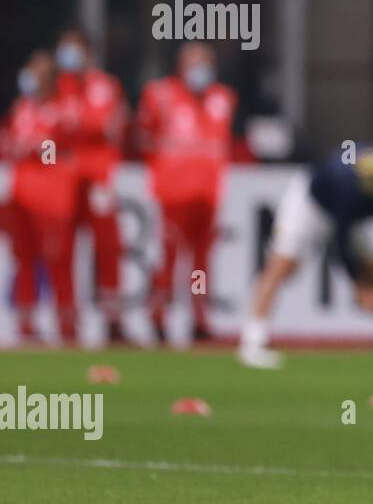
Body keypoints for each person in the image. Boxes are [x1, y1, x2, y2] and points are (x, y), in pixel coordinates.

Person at [237, 146, 373, 371]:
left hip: (347, 218)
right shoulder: (349, 186)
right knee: (281, 267)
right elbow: (341, 243)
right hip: (311, 203)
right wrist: (358, 285)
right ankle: (252, 343)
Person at [136, 42, 236, 345]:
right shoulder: (161, 95)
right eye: (193, 63)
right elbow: (142, 136)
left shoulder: (222, 98)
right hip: (174, 192)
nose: (199, 70)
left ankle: (199, 318)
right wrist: (162, 170)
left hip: (207, 192)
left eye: (204, 62)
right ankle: (158, 316)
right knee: (168, 258)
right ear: (180, 65)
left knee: (201, 263)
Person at [55, 29, 128, 343]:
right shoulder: (55, 87)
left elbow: (105, 126)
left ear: (87, 53)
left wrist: (72, 131)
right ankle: (67, 322)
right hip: (62, 179)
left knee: (108, 247)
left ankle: (113, 318)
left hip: (98, 178)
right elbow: (47, 136)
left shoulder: (104, 86)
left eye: (75, 50)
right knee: (62, 250)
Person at [4, 50, 81, 343]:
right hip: (21, 195)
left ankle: (67, 326)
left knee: (58, 261)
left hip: (51, 199)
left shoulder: (61, 110)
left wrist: (36, 147)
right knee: (23, 259)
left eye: (37, 72)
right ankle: (26, 324)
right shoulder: (23, 108)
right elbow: (13, 145)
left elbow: (52, 153)